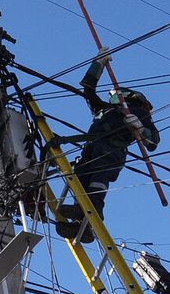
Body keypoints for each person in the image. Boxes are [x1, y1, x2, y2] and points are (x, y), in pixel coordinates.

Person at [48, 48, 159, 242]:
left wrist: (140, 128)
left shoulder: (137, 112)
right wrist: (97, 65)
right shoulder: (106, 110)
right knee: (81, 175)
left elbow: (153, 142)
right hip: (92, 146)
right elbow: (88, 90)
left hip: (112, 149)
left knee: (99, 175)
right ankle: (81, 222)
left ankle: (94, 211)